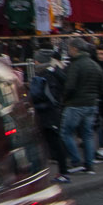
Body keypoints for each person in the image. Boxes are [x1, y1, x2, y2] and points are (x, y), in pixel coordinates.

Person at [59, 38, 103, 175]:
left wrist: (64, 100)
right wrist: (94, 95)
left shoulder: (76, 65)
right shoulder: (95, 65)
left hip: (75, 104)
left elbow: (70, 86)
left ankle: (76, 160)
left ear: (75, 49)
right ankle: (89, 164)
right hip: (91, 104)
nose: (69, 51)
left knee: (66, 133)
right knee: (88, 134)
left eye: (70, 48)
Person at [28, 48, 68, 182]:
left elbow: (39, 96)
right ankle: (61, 172)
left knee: (51, 143)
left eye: (36, 60)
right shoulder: (54, 72)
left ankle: (62, 173)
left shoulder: (44, 76)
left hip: (46, 113)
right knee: (53, 142)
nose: (34, 62)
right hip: (53, 112)